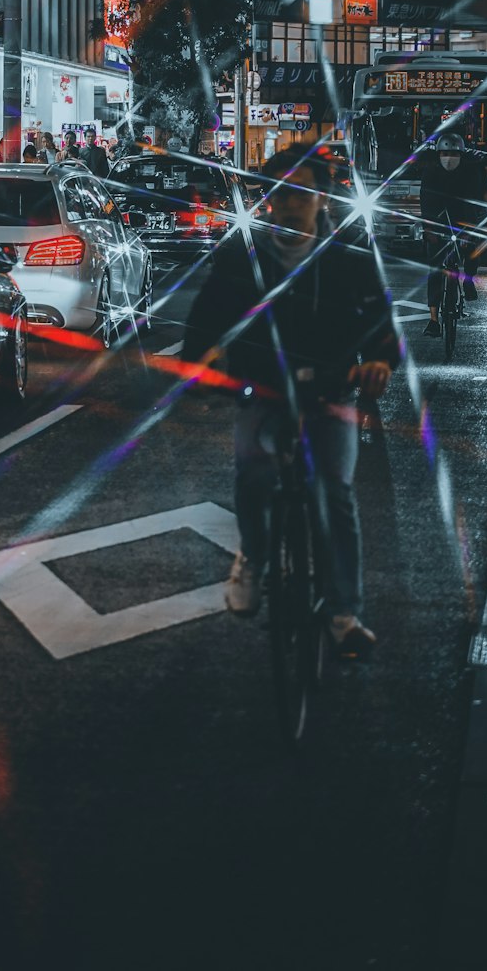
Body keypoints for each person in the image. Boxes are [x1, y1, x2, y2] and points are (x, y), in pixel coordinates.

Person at [182, 142, 399, 660]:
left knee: (336, 493)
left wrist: (379, 362)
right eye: (281, 193)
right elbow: (206, 318)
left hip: (331, 388)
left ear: (323, 198)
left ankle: (344, 614)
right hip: (264, 385)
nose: (291, 203)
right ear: (269, 201)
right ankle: (253, 560)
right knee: (253, 471)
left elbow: (380, 323)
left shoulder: (349, 258)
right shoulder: (243, 256)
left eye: (303, 192)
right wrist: (204, 358)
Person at [419, 133, 487, 336]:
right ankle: (433, 320)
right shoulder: (431, 173)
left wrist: (469, 232)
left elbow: (473, 203)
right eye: (445, 153)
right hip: (438, 220)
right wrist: (429, 229)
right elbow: (426, 203)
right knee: (435, 269)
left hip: (463, 218)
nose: (449, 158)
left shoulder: (471, 172)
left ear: (462, 154)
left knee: (472, 250)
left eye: (454, 153)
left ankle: (469, 279)